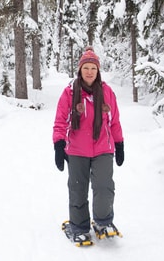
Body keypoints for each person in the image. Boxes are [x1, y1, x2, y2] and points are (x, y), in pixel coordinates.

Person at [52, 46, 125, 245]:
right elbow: (60, 121)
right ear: (80, 70)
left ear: (98, 70)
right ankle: (79, 225)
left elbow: (115, 121)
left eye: (93, 68)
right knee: (78, 188)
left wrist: (119, 144)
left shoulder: (107, 92)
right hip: (76, 149)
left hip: (103, 148)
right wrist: (59, 144)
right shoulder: (69, 93)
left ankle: (103, 221)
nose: (90, 72)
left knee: (104, 186)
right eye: (86, 68)